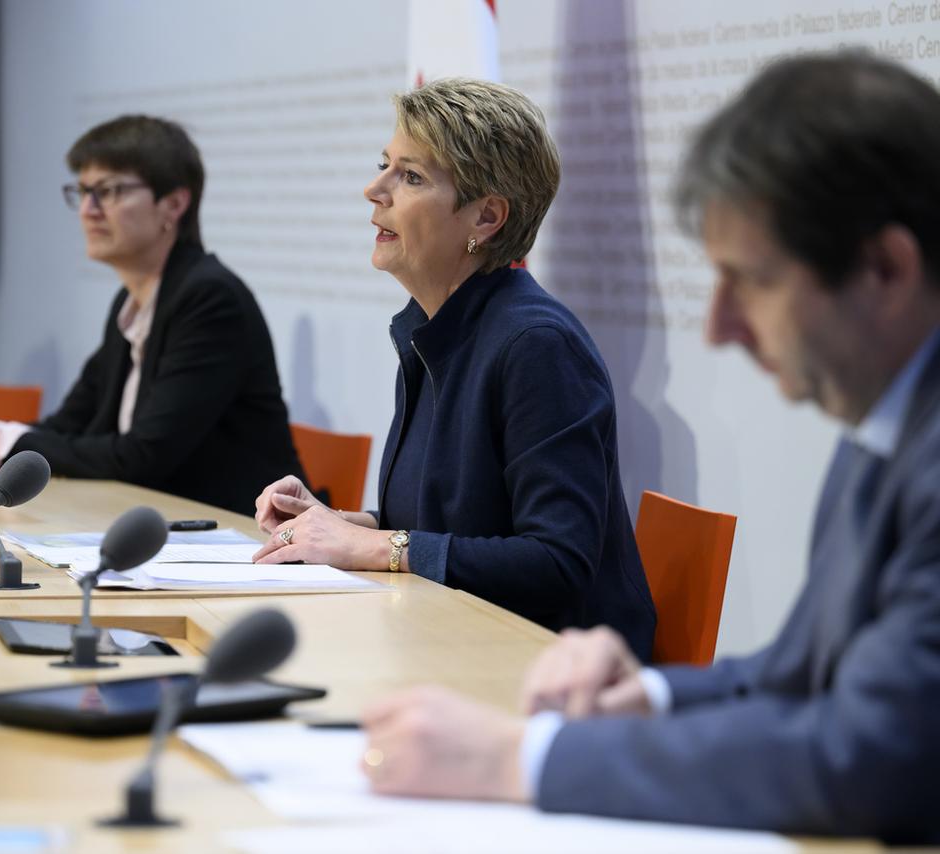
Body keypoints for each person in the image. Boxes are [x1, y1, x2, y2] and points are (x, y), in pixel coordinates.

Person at [359, 52, 940, 843]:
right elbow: (796, 677)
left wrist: (525, 764)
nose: (719, 327)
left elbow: (870, 757)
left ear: (885, 269)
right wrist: (654, 697)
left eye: (753, 281)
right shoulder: (886, 428)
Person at [252, 79, 655, 657]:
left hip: (549, 679)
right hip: (451, 647)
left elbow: (557, 562)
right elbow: (447, 525)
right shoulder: (431, 326)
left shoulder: (537, 345)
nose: (374, 190)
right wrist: (336, 527)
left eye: (410, 177)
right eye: (384, 165)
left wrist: (373, 547)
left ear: (486, 218)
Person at [0, 115, 302, 516]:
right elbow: (70, 424)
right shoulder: (133, 301)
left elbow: (143, 456)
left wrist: (7, 444)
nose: (89, 210)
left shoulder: (210, 300)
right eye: (82, 192)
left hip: (235, 535)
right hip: (155, 523)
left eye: (108, 191)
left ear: (175, 204)